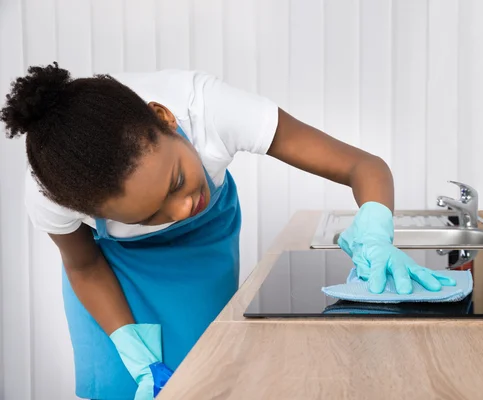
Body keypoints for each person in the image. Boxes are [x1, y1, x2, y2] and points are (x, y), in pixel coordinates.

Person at [1, 62, 456, 400]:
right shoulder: (52, 189)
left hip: (202, 258)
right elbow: (83, 264)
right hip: (112, 283)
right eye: (149, 215)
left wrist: (376, 225)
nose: (181, 209)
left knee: (210, 379)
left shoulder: (210, 109)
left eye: (177, 181)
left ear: (166, 119)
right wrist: (125, 339)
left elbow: (363, 166)